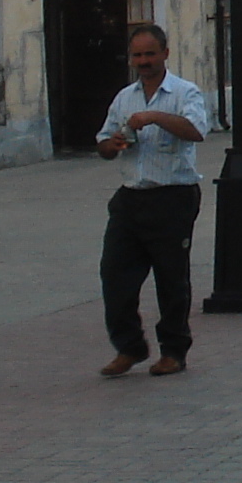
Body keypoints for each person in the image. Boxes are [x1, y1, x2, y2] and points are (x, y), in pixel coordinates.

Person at [93, 25, 209, 378]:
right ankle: (129, 347)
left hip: (173, 196)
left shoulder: (185, 92)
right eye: (137, 56)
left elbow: (197, 131)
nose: (143, 62)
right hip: (131, 198)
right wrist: (110, 146)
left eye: (149, 54)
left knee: (171, 279)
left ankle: (174, 351)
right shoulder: (124, 97)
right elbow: (103, 143)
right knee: (115, 276)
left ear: (164, 54)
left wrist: (155, 117)